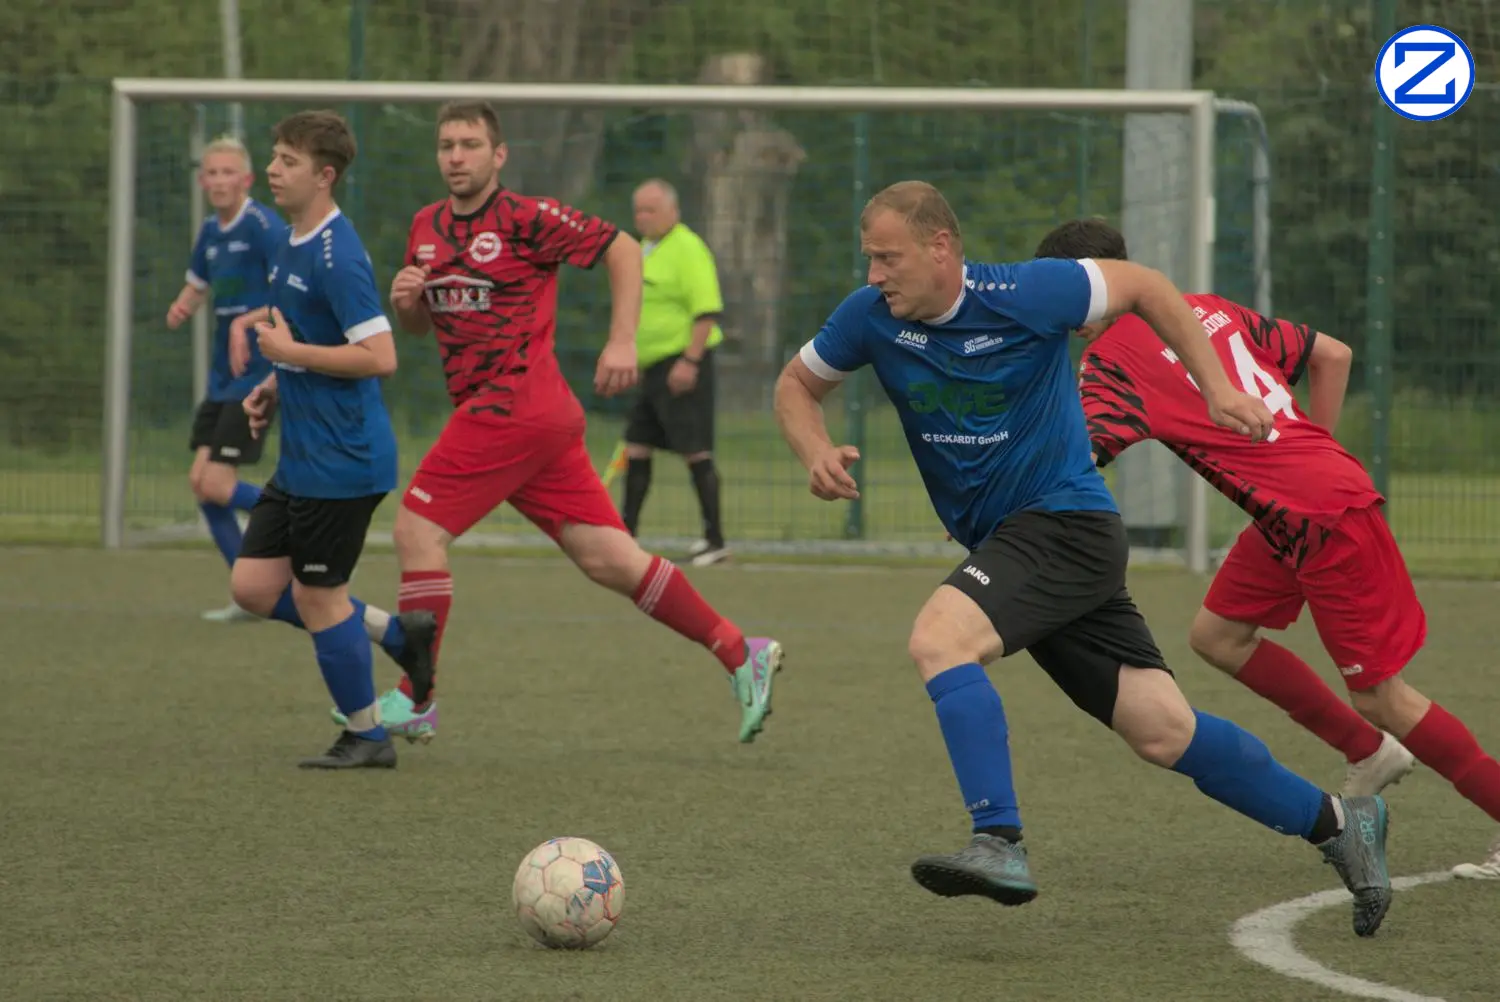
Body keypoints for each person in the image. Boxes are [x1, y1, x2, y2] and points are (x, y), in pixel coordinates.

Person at [773, 180, 1392, 936]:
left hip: (1062, 525)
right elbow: (797, 385)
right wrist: (812, 452)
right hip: (1030, 544)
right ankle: (1339, 823)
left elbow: (1148, 287)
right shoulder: (868, 318)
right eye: (868, 258)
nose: (873, 274)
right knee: (1162, 730)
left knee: (939, 639)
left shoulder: (1030, 292)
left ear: (941, 248)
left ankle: (998, 840)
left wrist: (1217, 388)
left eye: (887, 257)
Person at [1036, 216, 1500, 882]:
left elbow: (1079, 454)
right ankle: (1368, 752)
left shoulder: (1110, 363)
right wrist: (1311, 449)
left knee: (1385, 696)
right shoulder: (1207, 312)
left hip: (1323, 518)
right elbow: (1331, 354)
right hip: (1297, 509)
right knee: (1218, 636)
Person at [329, 101, 781, 745]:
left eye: (469, 144)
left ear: (498, 154)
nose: (456, 156)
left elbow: (624, 249)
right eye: (446, 145)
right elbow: (421, 327)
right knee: (610, 560)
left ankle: (417, 696)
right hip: (522, 421)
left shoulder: (527, 217)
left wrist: (621, 340)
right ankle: (741, 652)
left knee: (415, 531)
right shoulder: (426, 227)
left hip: (512, 404)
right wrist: (410, 304)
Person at [226, 110, 437, 770]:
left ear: (325, 175)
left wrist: (291, 351)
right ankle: (395, 634)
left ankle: (369, 736)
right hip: (305, 457)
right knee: (254, 588)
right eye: (274, 156)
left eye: (286, 161)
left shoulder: (336, 255)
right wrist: (276, 381)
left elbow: (380, 355)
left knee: (319, 598)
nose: (272, 169)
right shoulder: (291, 240)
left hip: (344, 463)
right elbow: (307, 343)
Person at [165, 136, 285, 622]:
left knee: (216, 483)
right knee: (202, 484)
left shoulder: (263, 227)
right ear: (202, 181)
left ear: (246, 179)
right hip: (223, 377)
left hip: (256, 376)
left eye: (227, 172)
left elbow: (290, 296)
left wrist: (245, 324)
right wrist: (183, 304)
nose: (218, 181)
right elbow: (198, 283)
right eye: (211, 173)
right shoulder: (211, 232)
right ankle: (251, 594)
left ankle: (299, 528)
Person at [619, 178, 730, 565]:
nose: (643, 218)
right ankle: (625, 536)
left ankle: (715, 541)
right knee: (636, 447)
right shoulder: (644, 250)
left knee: (695, 450)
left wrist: (690, 361)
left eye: (651, 210)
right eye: (639, 210)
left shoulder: (688, 248)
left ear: (673, 211)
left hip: (681, 364)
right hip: (650, 368)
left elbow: (706, 309)